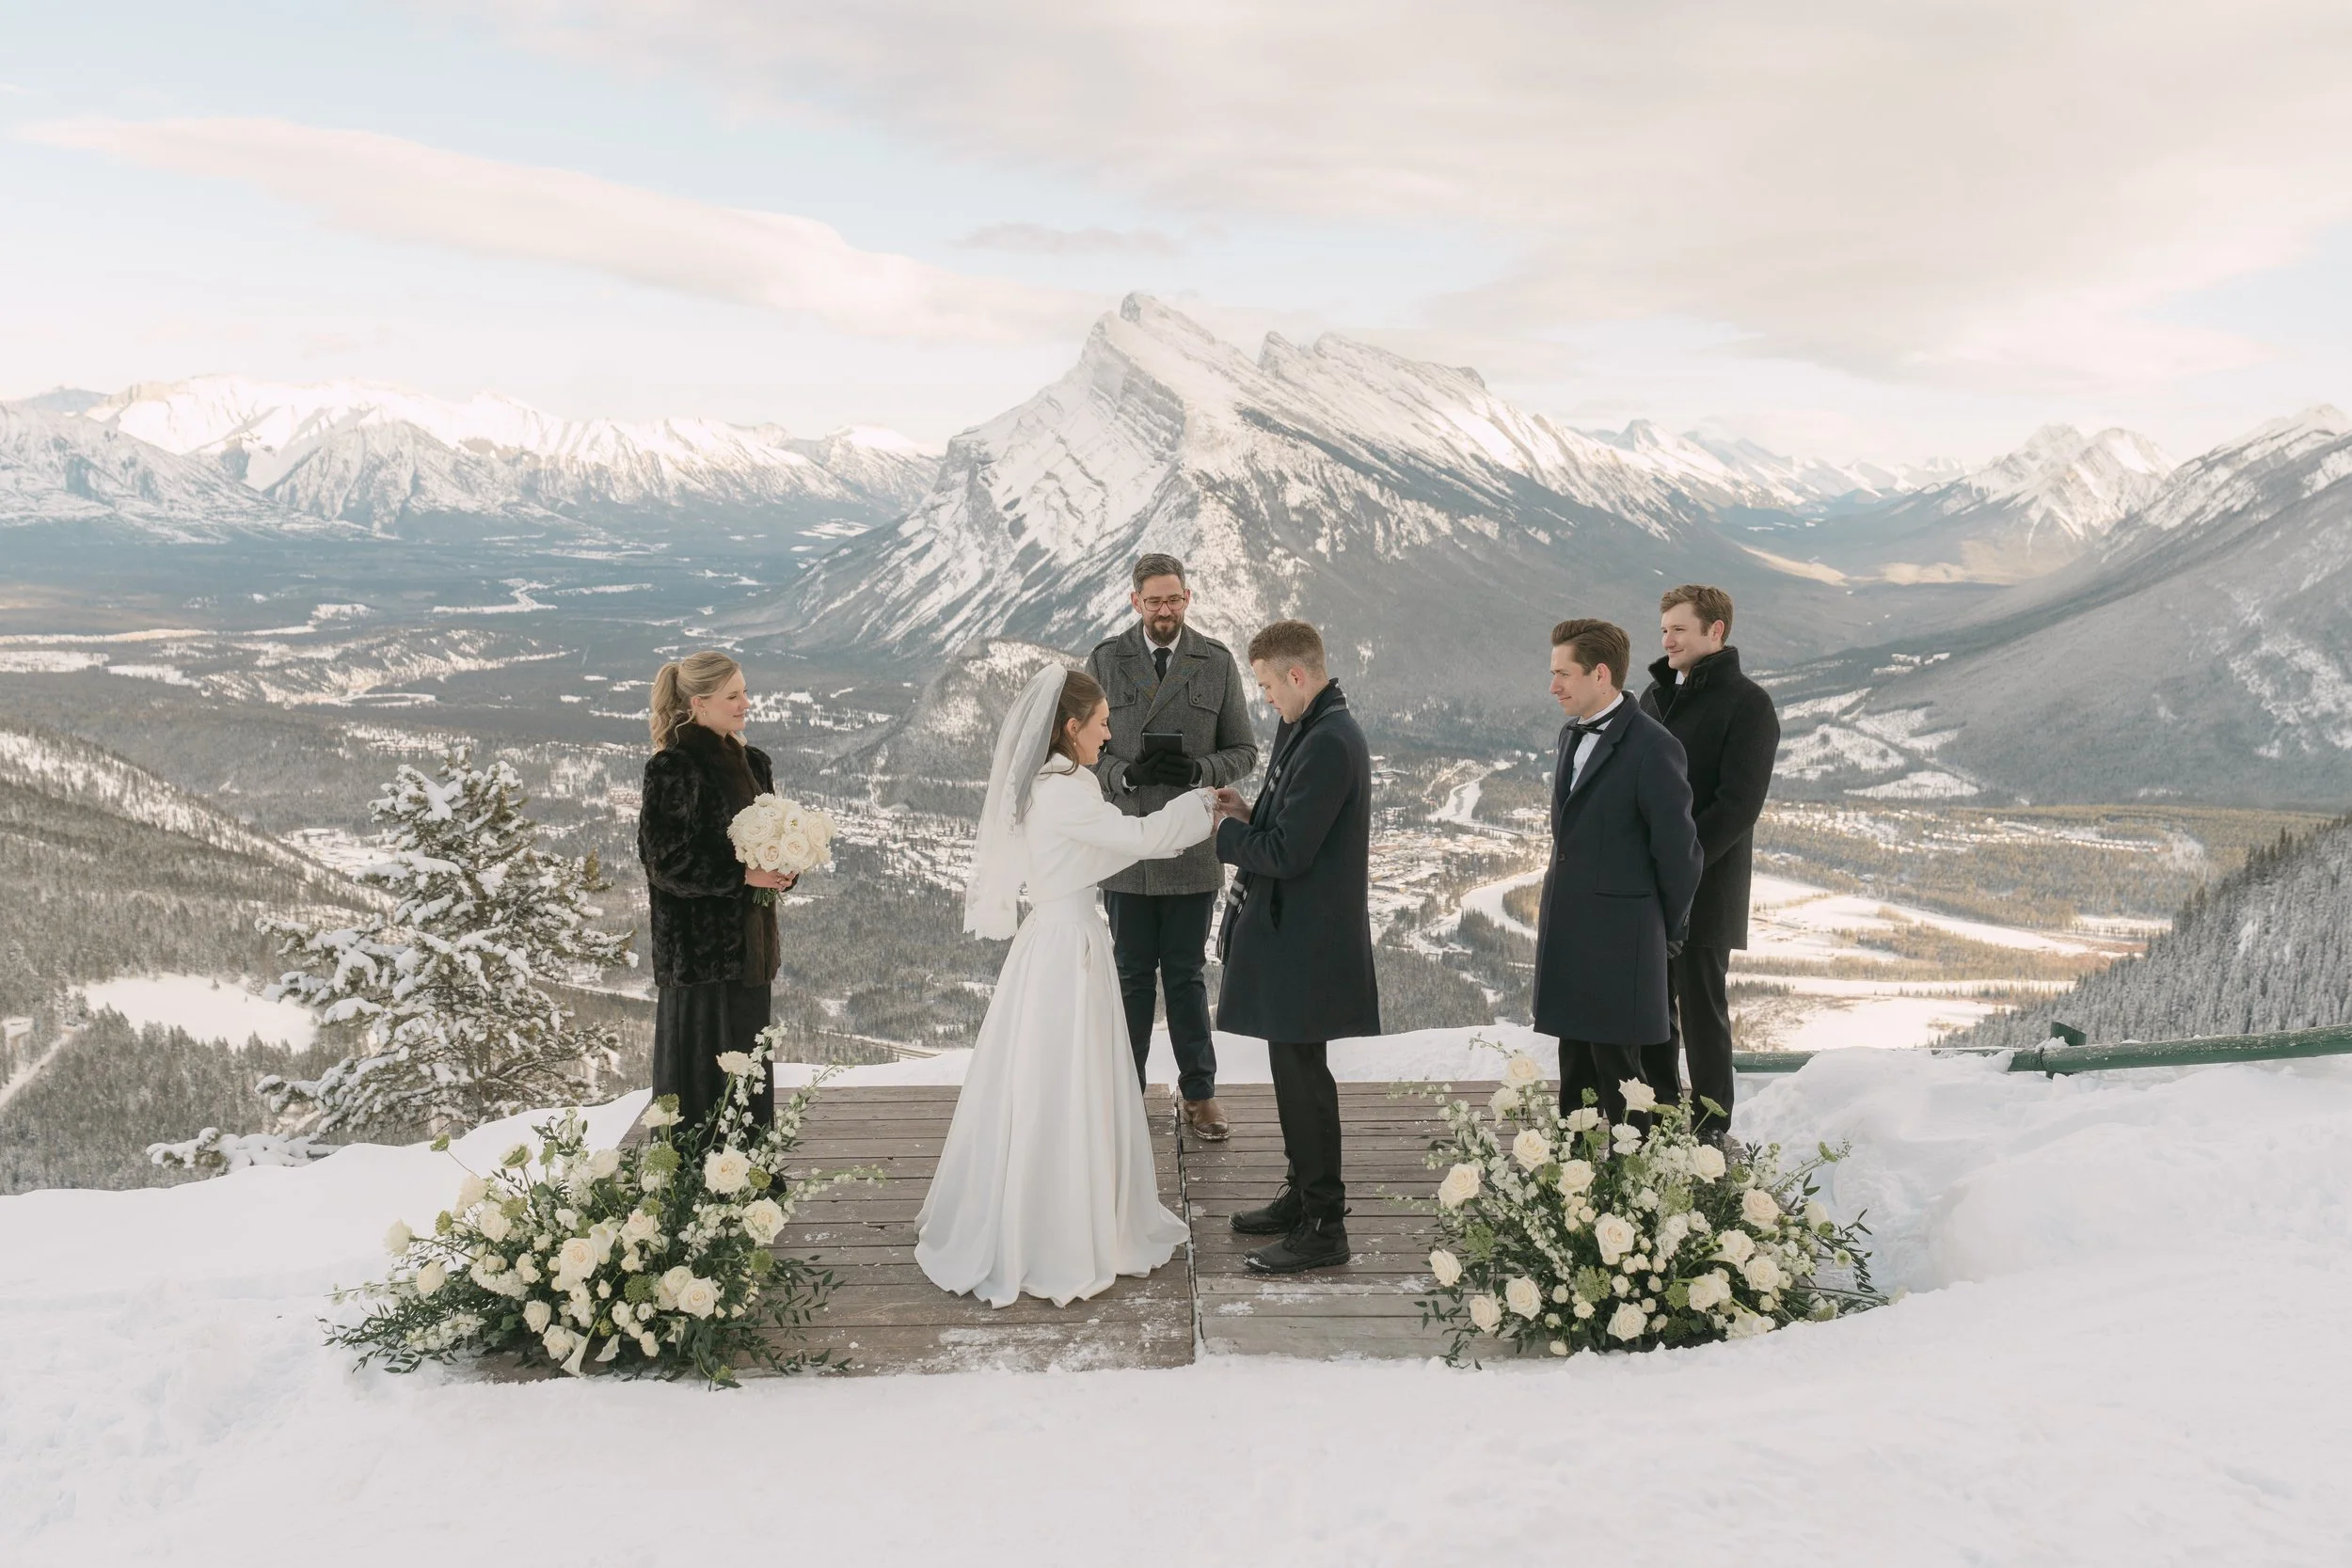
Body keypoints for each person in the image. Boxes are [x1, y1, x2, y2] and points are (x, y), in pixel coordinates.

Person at [916, 666, 1216, 1307]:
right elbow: (1137, 839)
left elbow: (1103, 854)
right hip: (1067, 951)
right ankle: (1059, 1231)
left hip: (1057, 941)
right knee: (1066, 1078)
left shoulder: (1054, 787)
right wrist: (1201, 804)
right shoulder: (1066, 795)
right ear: (1071, 727)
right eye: (1103, 723)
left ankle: (1044, 1208)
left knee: (1045, 1079)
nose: (1110, 736)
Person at [1210, 620, 1380, 1275]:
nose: (1266, 700)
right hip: (1296, 937)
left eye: (1268, 686)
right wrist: (1249, 812)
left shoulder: (1332, 741)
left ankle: (1324, 1223)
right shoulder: (1308, 728)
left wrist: (1224, 838)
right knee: (1292, 1074)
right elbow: (1287, 826)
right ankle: (1302, 1195)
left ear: (1299, 676)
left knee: (1306, 1080)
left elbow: (1289, 853)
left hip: (1310, 942)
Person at [1088, 553, 1260, 1142]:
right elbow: (1082, 748)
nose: (1165, 610)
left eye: (1175, 599)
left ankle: (1200, 1095)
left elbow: (1244, 749)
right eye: (1154, 601)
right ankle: (1125, 1091)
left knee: (1185, 976)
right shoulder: (1107, 660)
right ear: (1135, 601)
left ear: (1188, 598)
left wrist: (1198, 769)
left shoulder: (1216, 662)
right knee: (1131, 975)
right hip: (1128, 849)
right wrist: (1123, 777)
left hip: (1191, 848)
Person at [1530, 619, 1703, 1127]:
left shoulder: (1655, 746)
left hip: (1622, 944)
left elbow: (1681, 855)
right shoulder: (1569, 734)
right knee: (1575, 1075)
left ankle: (1633, 1197)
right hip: (1570, 936)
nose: (1553, 685)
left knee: (1624, 1081)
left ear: (1600, 674)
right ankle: (1573, 1192)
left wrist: (1661, 931)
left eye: (1563, 673)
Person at [1638, 585, 1781, 1141]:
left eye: (1680, 629)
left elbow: (1740, 804)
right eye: (1664, 629)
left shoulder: (1749, 705)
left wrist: (1683, 862)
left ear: (1715, 631)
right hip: (1648, 881)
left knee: (1702, 1009)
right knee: (1652, 1009)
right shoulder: (1655, 699)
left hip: (1706, 882)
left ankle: (1710, 1134)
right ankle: (1656, 1122)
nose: (1669, 639)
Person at [636, 651, 795, 1141]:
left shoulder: (754, 763)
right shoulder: (673, 768)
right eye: (734, 695)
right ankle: (695, 1183)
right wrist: (742, 875)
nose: (746, 703)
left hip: (750, 947)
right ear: (699, 704)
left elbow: (767, 842)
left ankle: (748, 1174)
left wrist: (784, 867)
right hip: (697, 957)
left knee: (748, 1070)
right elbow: (665, 863)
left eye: (745, 691)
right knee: (702, 1079)